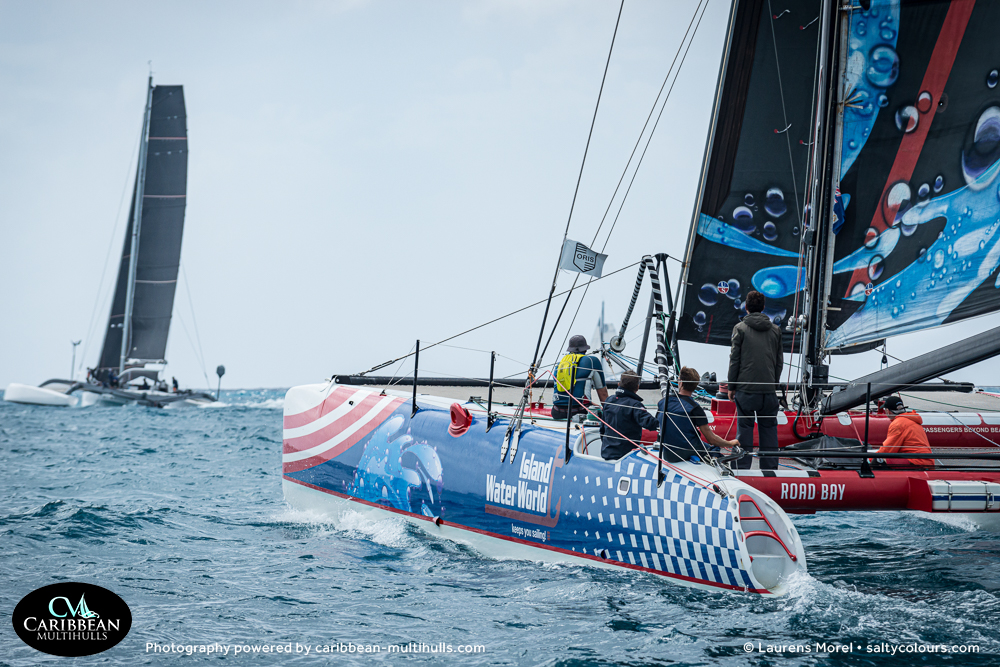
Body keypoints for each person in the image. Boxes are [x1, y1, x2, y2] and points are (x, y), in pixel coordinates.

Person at [727, 290, 782, 470]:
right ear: (763, 307)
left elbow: (735, 359)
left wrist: (731, 386)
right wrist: (773, 384)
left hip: (746, 390)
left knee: (744, 429)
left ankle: (742, 469)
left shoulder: (740, 329)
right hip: (768, 391)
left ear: (747, 307)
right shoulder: (775, 330)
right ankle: (770, 469)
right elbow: (779, 362)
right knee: (769, 430)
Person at [657, 367, 740, 462]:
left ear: (680, 382)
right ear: (696, 386)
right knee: (714, 449)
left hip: (668, 453)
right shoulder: (696, 409)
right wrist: (730, 443)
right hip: (687, 450)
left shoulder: (663, 402)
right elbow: (711, 439)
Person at [599, 371, 659, 460]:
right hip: (626, 456)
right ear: (637, 388)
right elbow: (651, 424)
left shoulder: (608, 401)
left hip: (607, 453)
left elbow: (602, 430)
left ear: (619, 384)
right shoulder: (635, 405)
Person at [551, 335, 608, 421]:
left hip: (557, 412)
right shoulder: (592, 361)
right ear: (585, 349)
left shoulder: (560, 364)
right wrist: (609, 413)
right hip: (580, 412)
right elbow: (603, 393)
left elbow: (568, 395)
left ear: (570, 350)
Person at [876, 396, 933, 466]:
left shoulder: (898, 423)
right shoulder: (911, 419)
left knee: (879, 461)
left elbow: (888, 450)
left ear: (888, 411)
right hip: (925, 460)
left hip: (917, 461)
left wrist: (869, 459)